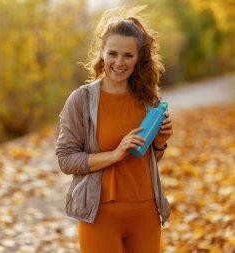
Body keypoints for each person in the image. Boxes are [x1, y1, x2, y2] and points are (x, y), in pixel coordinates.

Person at [55, 6, 173, 253]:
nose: (119, 62)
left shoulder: (148, 100)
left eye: (128, 55)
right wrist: (114, 154)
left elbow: (149, 157)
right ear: (102, 54)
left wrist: (160, 141)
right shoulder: (81, 100)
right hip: (100, 215)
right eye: (113, 54)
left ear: (139, 58)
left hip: (146, 212)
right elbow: (66, 160)